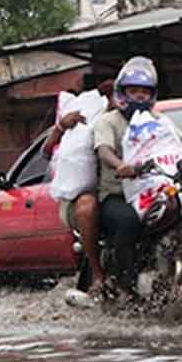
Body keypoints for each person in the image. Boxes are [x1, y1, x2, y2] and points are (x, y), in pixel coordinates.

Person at [92, 58, 182, 285]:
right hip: (118, 195)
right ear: (122, 94)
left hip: (157, 188)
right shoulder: (108, 122)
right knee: (128, 222)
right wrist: (120, 165)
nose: (140, 96)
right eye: (133, 91)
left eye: (144, 91)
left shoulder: (160, 120)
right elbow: (103, 150)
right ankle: (125, 286)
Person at [42, 81, 115, 297]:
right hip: (81, 199)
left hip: (119, 192)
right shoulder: (82, 120)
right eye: (113, 97)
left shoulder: (136, 121)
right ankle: (98, 272)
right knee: (86, 205)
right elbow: (46, 152)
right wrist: (60, 127)